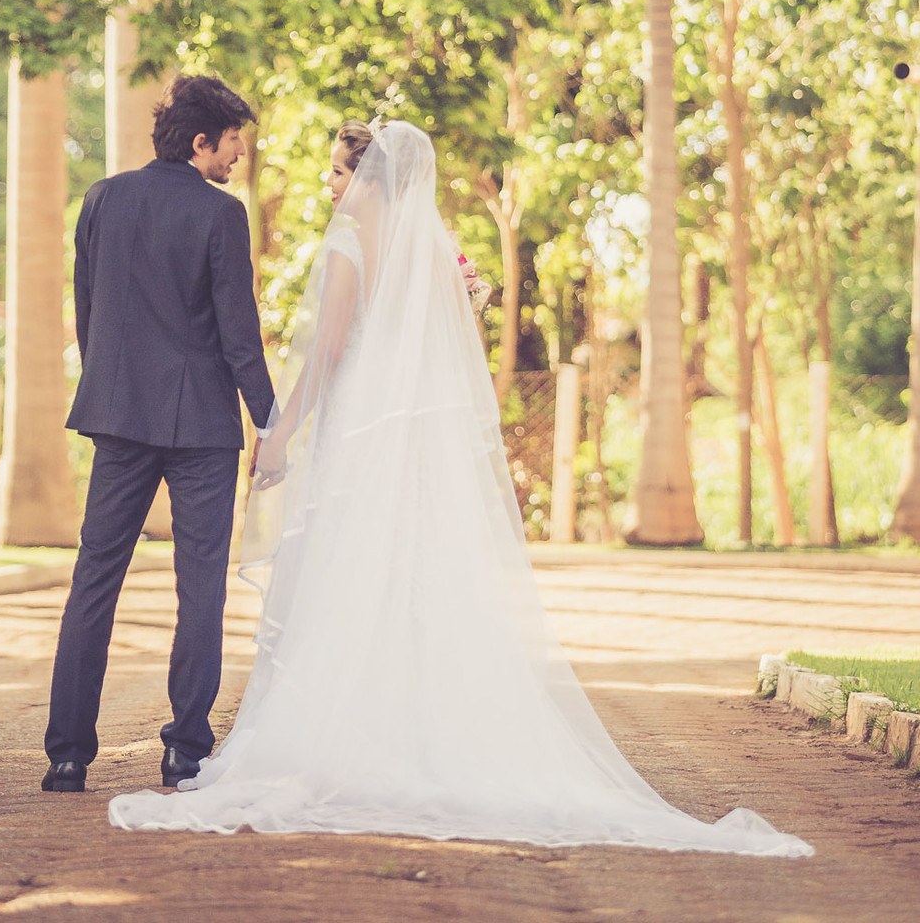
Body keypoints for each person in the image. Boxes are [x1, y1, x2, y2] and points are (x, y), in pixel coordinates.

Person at [107, 121, 812, 858]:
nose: (330, 187)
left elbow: (331, 349)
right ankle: (423, 730)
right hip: (409, 440)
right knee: (413, 577)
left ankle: (354, 739)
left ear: (372, 182)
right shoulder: (432, 253)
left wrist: (280, 432)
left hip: (359, 436)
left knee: (353, 578)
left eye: (338, 175)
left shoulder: (349, 247)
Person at [41, 73, 275, 794]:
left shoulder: (102, 199)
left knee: (94, 579)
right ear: (202, 141)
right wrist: (271, 419)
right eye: (233, 144)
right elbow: (239, 333)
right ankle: (184, 751)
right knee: (199, 585)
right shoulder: (221, 214)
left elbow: (87, 310)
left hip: (118, 416)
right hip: (202, 426)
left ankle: (67, 755)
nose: (238, 159)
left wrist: (109, 385)